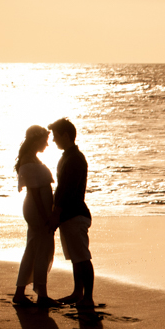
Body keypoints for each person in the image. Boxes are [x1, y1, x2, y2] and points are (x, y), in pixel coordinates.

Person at [48, 118, 95, 311]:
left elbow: (68, 189)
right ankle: (78, 293)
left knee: (82, 257)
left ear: (65, 136)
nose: (53, 141)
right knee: (76, 256)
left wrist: (56, 212)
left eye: (56, 136)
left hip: (75, 214)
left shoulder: (75, 158)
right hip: (70, 214)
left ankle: (88, 297)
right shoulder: (67, 156)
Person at [12, 125, 59, 307]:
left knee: (34, 248)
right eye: (44, 140)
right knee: (42, 249)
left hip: (37, 209)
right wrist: (45, 215)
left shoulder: (32, 159)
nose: (47, 144)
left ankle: (21, 292)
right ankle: (42, 295)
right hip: (37, 209)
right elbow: (35, 193)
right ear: (36, 140)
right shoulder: (29, 160)